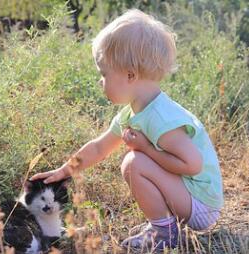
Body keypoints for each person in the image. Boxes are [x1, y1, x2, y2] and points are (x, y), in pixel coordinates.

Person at [30, 9, 223, 251]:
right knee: (136, 160)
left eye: (104, 73)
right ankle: (165, 225)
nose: (101, 81)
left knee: (134, 162)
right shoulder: (134, 112)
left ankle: (165, 233)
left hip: (202, 206)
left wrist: (145, 149)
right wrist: (65, 170)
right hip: (188, 197)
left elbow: (192, 165)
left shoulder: (161, 117)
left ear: (130, 75)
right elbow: (100, 147)